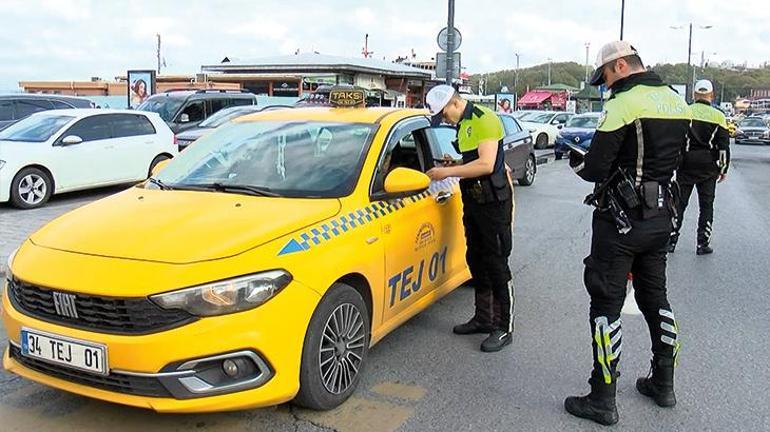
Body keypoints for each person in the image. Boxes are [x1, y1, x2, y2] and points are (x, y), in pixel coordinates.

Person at [565, 41, 691, 426]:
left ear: (620, 65)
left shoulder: (623, 103)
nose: (605, 85)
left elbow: (598, 167)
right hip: (660, 217)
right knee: (657, 298)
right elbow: (679, 161)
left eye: (605, 76)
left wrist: (578, 163)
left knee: (605, 303)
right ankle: (663, 384)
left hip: (619, 221)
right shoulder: (676, 102)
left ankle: (603, 398)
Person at [424, 85, 515, 353]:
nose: (444, 120)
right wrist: (454, 165)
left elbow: (486, 164)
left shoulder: (484, 119)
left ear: (454, 104)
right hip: (474, 201)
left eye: (444, 114)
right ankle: (483, 318)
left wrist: (445, 173)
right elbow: (471, 160)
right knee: (476, 259)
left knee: (497, 264)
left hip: (494, 204)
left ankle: (504, 327)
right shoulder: (463, 124)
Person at [668, 79, 730, 255]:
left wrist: (673, 163)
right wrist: (723, 169)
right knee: (706, 206)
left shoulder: (685, 112)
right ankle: (702, 244)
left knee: (678, 203)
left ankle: (671, 241)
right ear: (711, 95)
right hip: (708, 167)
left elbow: (676, 141)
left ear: (694, 95)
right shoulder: (719, 116)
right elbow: (723, 147)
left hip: (685, 165)